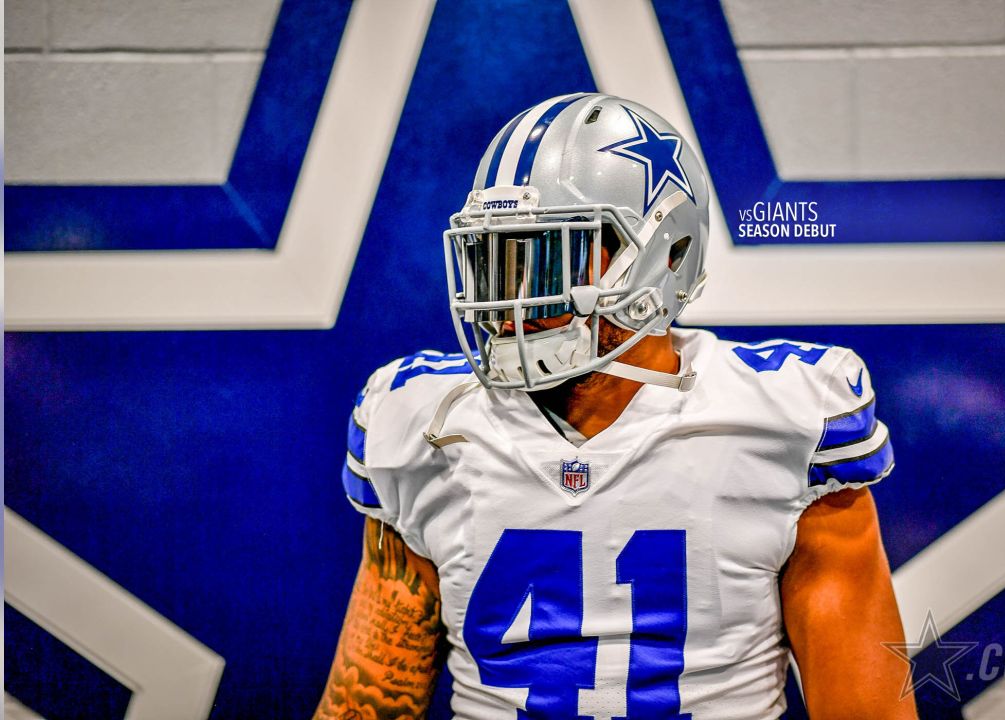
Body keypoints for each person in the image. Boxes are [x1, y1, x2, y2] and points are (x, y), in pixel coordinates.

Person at [315, 93, 917, 719]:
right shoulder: (425, 425)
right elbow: (368, 704)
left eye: (548, 257)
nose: (511, 296)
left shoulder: (784, 423)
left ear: (666, 255)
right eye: (498, 259)